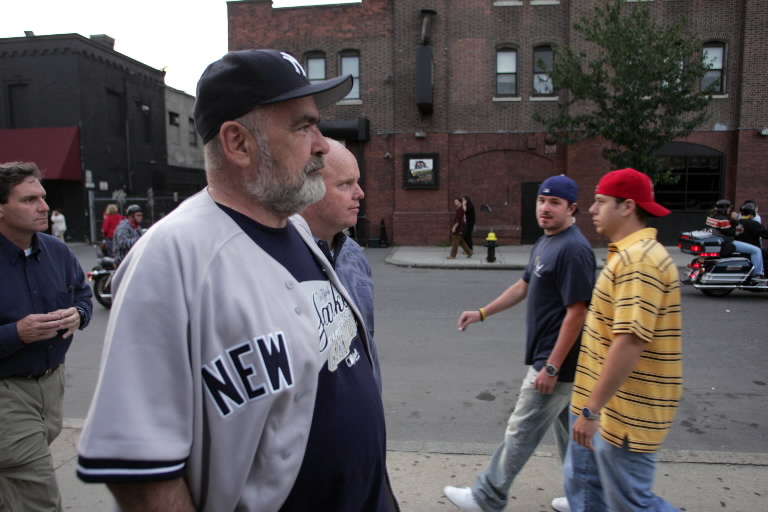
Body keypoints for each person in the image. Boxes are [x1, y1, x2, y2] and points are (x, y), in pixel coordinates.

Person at [76, 49, 397, 512]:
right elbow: (140, 473)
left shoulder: (299, 230)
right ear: (238, 143)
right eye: (303, 126)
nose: (323, 145)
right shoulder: (173, 254)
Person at [444, 175, 596, 512]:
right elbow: (524, 285)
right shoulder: (547, 242)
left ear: (571, 208)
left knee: (521, 429)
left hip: (557, 362)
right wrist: (482, 312)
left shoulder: (573, 249)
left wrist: (552, 367)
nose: (545, 208)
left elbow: (577, 314)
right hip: (556, 362)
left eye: (554, 202)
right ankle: (584, 500)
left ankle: (486, 497)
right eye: (542, 200)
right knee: (570, 437)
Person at [564, 168, 682, 512]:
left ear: (627, 206)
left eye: (600, 202)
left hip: (623, 414)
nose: (591, 209)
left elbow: (630, 341)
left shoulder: (640, 261)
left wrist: (591, 409)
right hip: (603, 409)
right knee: (586, 491)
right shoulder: (627, 254)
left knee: (631, 504)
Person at [0, 161, 92, 511]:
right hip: (7, 393)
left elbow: (82, 294)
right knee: (38, 495)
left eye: (43, 197)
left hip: (52, 386)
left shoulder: (56, 251)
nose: (43, 207)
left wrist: (79, 314)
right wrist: (16, 333)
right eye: (28, 200)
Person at [299, 137, 382, 393]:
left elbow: (366, 340)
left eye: (357, 181)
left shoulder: (353, 254)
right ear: (307, 189)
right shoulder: (281, 262)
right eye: (346, 184)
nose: (360, 193)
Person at [706, 199, 764, 279]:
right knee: (756, 250)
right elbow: (731, 232)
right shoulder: (723, 219)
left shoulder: (711, 217)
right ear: (724, 209)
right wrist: (736, 223)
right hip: (727, 242)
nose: (730, 210)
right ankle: (757, 274)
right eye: (729, 208)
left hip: (719, 241)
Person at [735, 202, 768, 268]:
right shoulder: (753, 224)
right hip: (752, 252)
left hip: (738, 250)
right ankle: (760, 273)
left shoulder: (736, 223)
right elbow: (766, 235)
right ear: (753, 213)